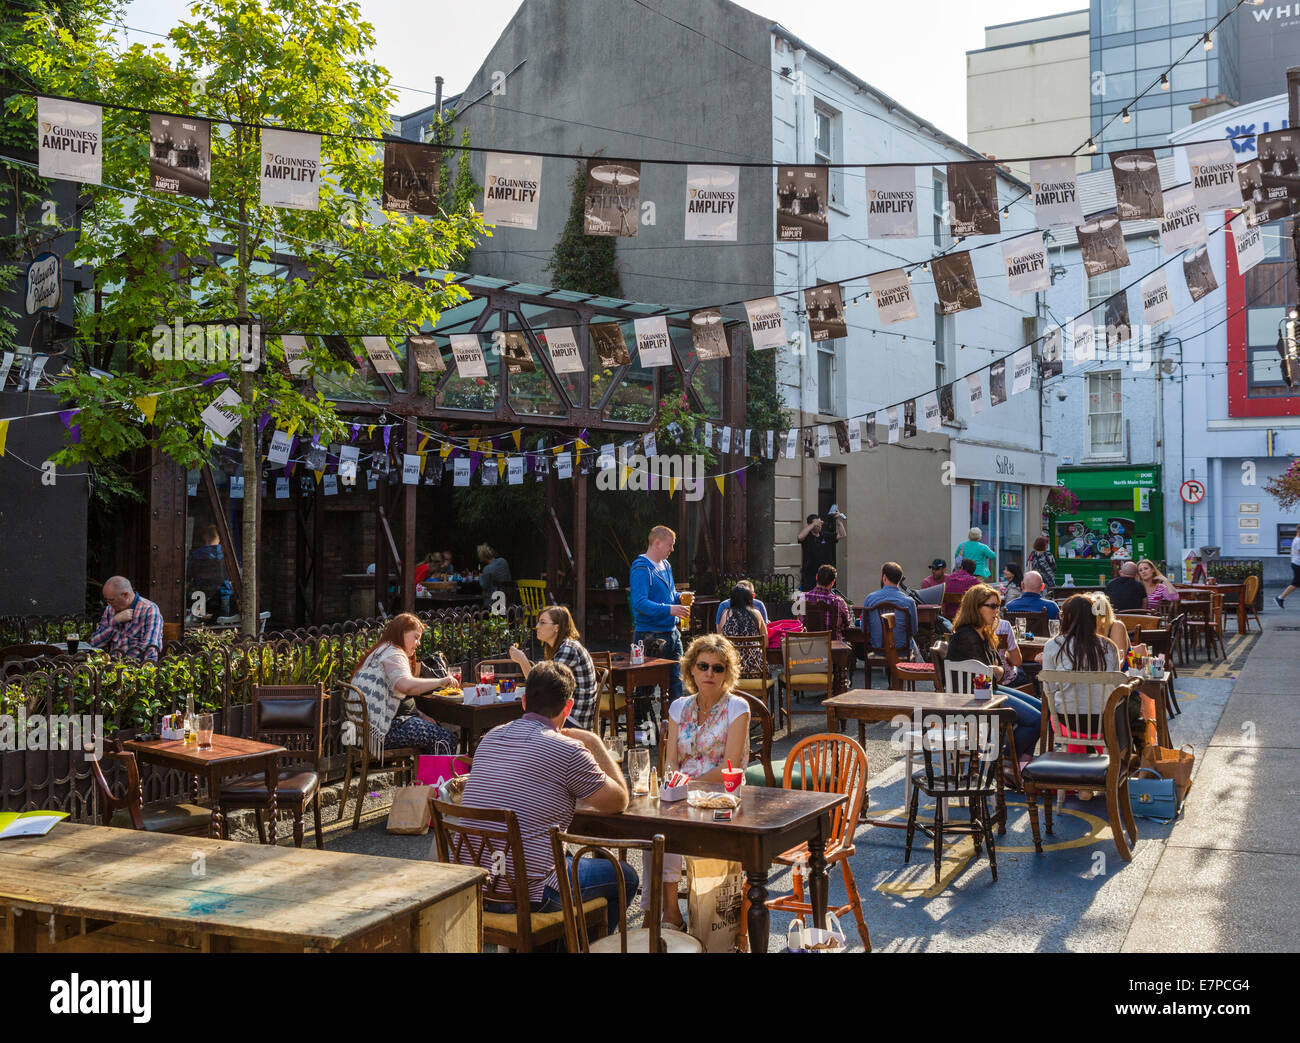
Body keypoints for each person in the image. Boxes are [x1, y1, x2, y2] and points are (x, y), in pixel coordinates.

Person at [459, 661, 636, 937]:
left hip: (476, 886)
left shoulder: (491, 737)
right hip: (530, 894)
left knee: (560, 862)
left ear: (524, 700)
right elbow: (619, 800)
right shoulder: (569, 750)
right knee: (625, 876)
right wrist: (593, 741)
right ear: (568, 707)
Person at [660, 634, 751, 929]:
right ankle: (670, 913)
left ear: (727, 673)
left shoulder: (737, 708)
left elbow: (730, 764)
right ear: (692, 670)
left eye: (718, 668)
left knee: (674, 822)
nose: (710, 673)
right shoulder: (679, 708)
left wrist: (687, 785)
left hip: (721, 794)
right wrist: (676, 785)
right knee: (658, 831)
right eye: (704, 666)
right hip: (684, 793)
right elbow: (670, 761)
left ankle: (708, 923)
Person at [1040, 594, 1124, 799]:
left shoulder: (1053, 646)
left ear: (1066, 618)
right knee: (1096, 710)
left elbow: (1047, 688)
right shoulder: (1109, 647)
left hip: (1067, 724)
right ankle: (1094, 779)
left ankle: (1081, 782)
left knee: (1067, 710)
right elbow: (1116, 687)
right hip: (1104, 725)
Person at [947, 584, 1043, 760]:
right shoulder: (966, 636)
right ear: (976, 607)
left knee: (1043, 710)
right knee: (1035, 720)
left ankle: (1021, 761)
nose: (996, 611)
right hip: (974, 697)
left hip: (987, 690)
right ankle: (1008, 760)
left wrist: (995, 670)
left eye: (998, 605)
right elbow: (988, 673)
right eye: (992, 606)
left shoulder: (983, 632)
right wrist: (995, 670)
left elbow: (996, 667)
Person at [350, 613, 461, 755]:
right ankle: (436, 778)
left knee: (437, 732)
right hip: (383, 732)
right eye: (416, 637)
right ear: (402, 633)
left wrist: (420, 715)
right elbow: (406, 686)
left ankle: (422, 776)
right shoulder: (393, 653)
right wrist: (441, 681)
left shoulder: (382, 649)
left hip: (370, 730)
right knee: (445, 739)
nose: (418, 643)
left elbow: (399, 696)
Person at [507, 606, 598, 731]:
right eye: (538, 622)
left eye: (542, 622)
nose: (537, 626)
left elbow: (543, 685)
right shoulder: (560, 647)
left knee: (520, 724)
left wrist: (522, 660)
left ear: (557, 627)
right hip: (562, 713)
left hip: (572, 719)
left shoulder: (568, 648)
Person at [629, 525, 689, 706]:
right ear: (657, 543)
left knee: (677, 680)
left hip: (671, 631)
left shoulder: (666, 565)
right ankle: (640, 727)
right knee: (646, 685)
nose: (672, 549)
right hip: (650, 634)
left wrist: (679, 598)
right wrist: (669, 609)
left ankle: (675, 723)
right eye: (670, 545)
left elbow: (670, 595)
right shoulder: (641, 568)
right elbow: (639, 603)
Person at [90, 576, 165, 661]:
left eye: (111, 600)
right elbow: (94, 643)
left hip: (139, 669)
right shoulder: (110, 610)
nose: (108, 604)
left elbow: (150, 648)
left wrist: (122, 663)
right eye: (106, 600)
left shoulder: (149, 609)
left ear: (126, 595)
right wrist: (114, 621)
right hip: (112, 668)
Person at [863, 561, 918, 652]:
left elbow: (864, 629)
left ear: (884, 577)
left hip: (878, 650)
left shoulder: (870, 599)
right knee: (913, 646)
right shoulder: (909, 602)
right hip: (902, 651)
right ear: (899, 580)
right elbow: (914, 631)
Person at [718, 583, 768, 676]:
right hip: (757, 669)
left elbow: (720, 642)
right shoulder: (756, 614)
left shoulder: (726, 614)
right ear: (749, 599)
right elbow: (765, 642)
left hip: (733, 672)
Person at [186, 524, 231, 619]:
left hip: (200, 595)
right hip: (224, 595)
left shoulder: (196, 554)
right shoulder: (227, 554)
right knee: (224, 624)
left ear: (205, 537)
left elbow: (188, 574)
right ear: (219, 537)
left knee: (199, 624)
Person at [797, 510, 846, 591]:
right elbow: (800, 537)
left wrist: (838, 519)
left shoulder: (825, 535)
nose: (819, 526)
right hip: (810, 574)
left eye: (820, 524)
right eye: (817, 525)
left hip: (825, 574)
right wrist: (813, 524)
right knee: (810, 597)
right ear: (810, 525)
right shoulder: (807, 537)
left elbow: (842, 534)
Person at [802, 564, 852, 642]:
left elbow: (799, 623)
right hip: (833, 648)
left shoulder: (802, 599)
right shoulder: (839, 602)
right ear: (832, 582)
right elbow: (846, 625)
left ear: (816, 577)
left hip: (809, 648)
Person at [1276, 529, 1300, 609]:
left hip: (1295, 563)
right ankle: (1280, 598)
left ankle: (1280, 598)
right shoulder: (1298, 540)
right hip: (1298, 565)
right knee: (1295, 584)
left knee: (1296, 583)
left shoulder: (1295, 539)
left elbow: (1291, 552)